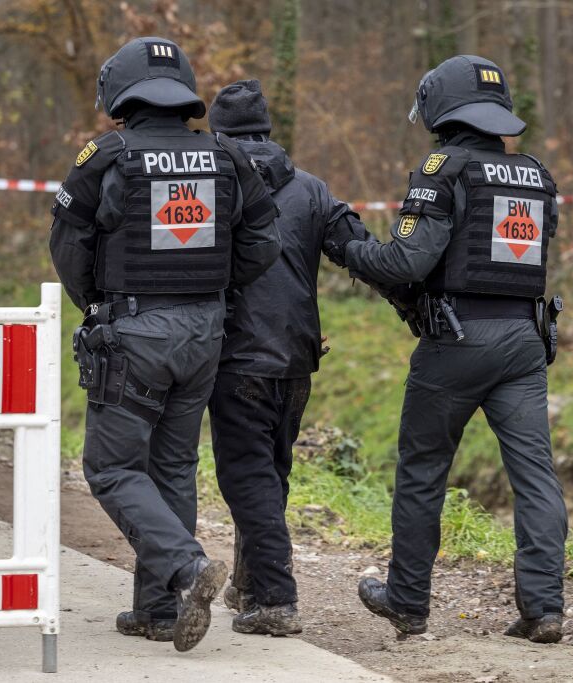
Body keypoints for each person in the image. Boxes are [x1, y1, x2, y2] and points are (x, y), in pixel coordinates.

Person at [48, 37, 280, 652]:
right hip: (204, 333)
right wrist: (216, 289)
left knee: (111, 466)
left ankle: (186, 568)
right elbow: (264, 241)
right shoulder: (224, 154)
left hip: (136, 335)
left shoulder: (106, 154)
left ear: (120, 93)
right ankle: (157, 610)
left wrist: (97, 305)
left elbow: (67, 248)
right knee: (171, 466)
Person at [335, 55, 569, 644]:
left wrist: (346, 246)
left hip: (457, 342)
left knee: (422, 471)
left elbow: (407, 261)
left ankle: (408, 602)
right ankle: (544, 609)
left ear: (441, 107)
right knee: (536, 477)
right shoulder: (536, 175)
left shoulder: (443, 168)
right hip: (524, 341)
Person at [204, 80, 377, 636]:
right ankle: (251, 586)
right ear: (267, 130)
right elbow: (361, 252)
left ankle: (276, 600)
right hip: (298, 357)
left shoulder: (212, 185)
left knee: (246, 474)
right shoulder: (312, 190)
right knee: (270, 472)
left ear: (218, 134)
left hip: (237, 355)